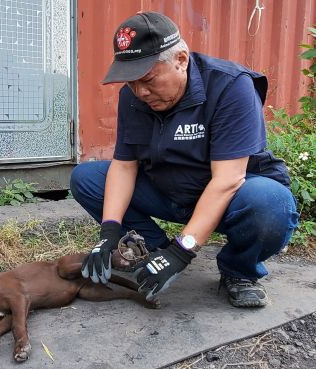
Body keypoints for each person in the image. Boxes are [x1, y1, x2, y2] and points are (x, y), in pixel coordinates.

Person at [70, 11, 299, 308]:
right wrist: (109, 231)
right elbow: (125, 166)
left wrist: (184, 250)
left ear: (180, 59)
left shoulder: (231, 86)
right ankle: (155, 251)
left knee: (271, 203)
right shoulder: (135, 97)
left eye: (148, 79)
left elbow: (228, 180)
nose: (140, 92)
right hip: (169, 189)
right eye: (130, 83)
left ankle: (238, 272)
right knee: (87, 179)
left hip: (230, 196)